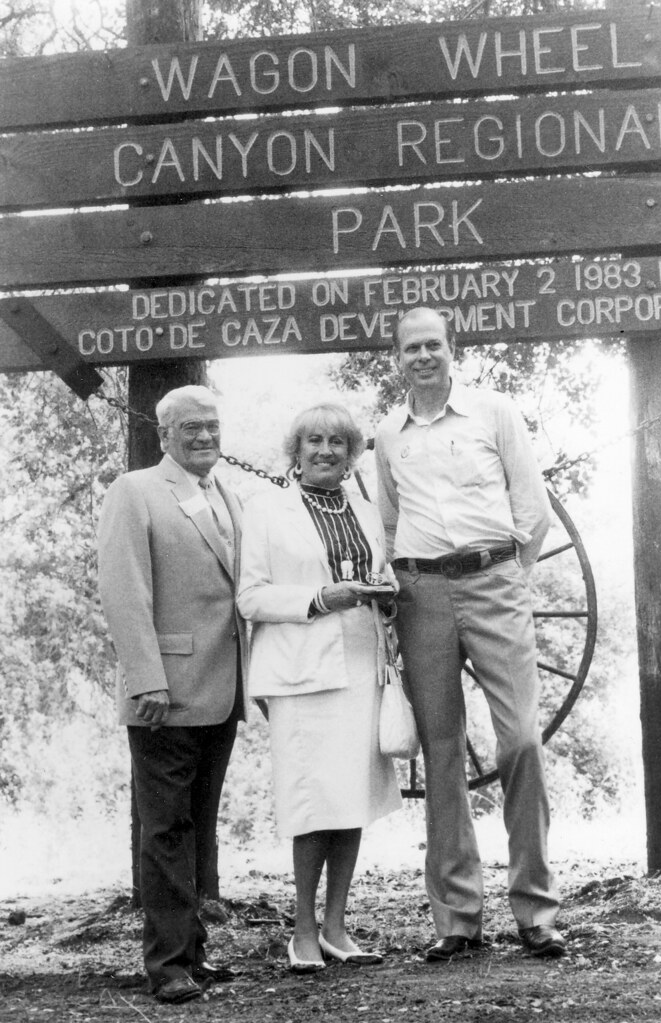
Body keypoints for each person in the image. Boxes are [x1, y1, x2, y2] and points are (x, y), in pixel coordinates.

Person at [374, 307, 565, 961]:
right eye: (410, 347)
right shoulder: (388, 435)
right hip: (421, 594)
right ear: (397, 358)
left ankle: (535, 909)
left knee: (522, 742)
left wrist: (510, 575)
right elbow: (391, 524)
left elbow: (531, 508)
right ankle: (457, 919)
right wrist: (405, 588)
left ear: (452, 350)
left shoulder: (494, 412)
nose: (422, 355)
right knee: (442, 753)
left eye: (433, 344)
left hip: (495, 582)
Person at [237, 402, 402, 973]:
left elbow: (379, 576)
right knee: (312, 803)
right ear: (296, 450)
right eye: (314, 440)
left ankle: (336, 926)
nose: (326, 450)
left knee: (351, 794)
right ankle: (302, 931)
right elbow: (250, 596)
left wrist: (384, 592)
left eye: (338, 441)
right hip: (301, 670)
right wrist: (316, 599)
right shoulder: (266, 509)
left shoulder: (363, 507)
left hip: (360, 663)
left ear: (351, 452)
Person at [97, 384, 247, 1004]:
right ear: (165, 436)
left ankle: (193, 953)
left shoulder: (225, 493)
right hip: (165, 692)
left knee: (198, 826)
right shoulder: (134, 491)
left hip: (222, 688)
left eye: (212, 425)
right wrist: (146, 677)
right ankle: (167, 966)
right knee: (164, 831)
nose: (205, 436)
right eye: (191, 428)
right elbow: (123, 589)